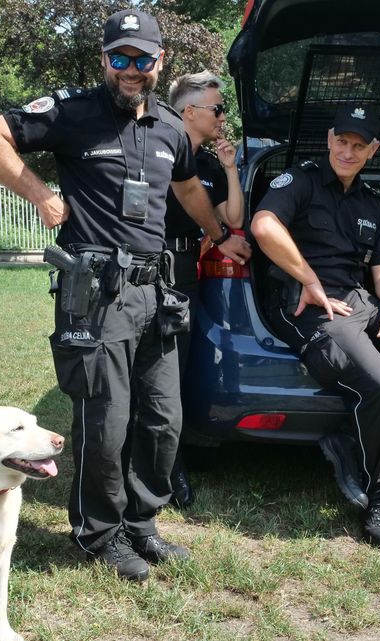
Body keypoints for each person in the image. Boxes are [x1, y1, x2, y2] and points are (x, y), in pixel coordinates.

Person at [0, 8, 252, 582]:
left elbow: (189, 187)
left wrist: (222, 235)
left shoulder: (171, 127)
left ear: (158, 63)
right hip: (96, 295)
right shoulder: (74, 113)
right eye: (119, 58)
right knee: (106, 420)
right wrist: (40, 193)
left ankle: (142, 523)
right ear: (104, 59)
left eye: (141, 60)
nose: (130, 69)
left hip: (158, 292)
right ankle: (99, 534)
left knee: (163, 419)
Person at [249, 106, 380, 551]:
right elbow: (263, 226)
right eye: (341, 141)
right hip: (303, 304)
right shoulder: (300, 181)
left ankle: (351, 439)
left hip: (358, 300)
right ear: (329, 139)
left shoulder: (372, 203)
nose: (347, 151)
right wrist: (308, 279)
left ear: (372, 150)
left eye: (358, 145)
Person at [162, 71, 243, 509]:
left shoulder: (209, 164)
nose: (222, 116)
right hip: (140, 267)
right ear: (189, 112)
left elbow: (231, 217)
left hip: (183, 270)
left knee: (174, 369)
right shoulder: (152, 149)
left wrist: (230, 168)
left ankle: (172, 462)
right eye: (217, 108)